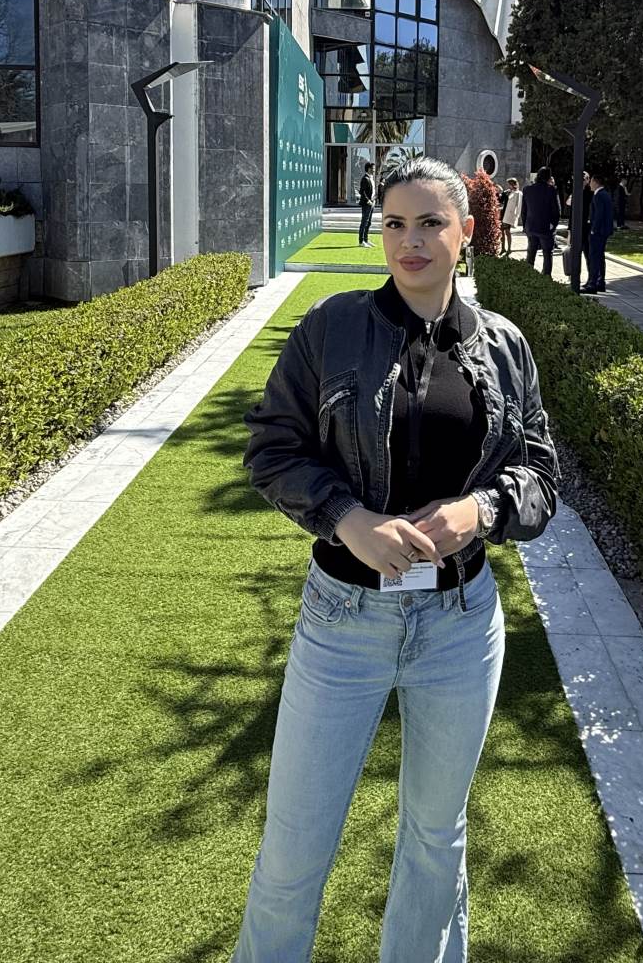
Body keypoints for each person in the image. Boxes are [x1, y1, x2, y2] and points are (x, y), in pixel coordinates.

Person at [234, 156, 559, 962]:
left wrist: (480, 511)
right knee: (293, 849)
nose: (410, 242)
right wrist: (347, 519)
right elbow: (272, 449)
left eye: (430, 224)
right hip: (343, 622)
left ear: (467, 232)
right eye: (395, 224)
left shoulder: (505, 346)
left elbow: (541, 474)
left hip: (460, 625)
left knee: (435, 841)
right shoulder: (330, 328)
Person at [521, 168, 561, 277]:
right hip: (546, 227)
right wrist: (553, 225)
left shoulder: (527, 189)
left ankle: (528, 277)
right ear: (548, 177)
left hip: (531, 226)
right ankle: (546, 278)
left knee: (531, 253)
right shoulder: (551, 190)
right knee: (547, 254)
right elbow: (557, 211)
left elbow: (524, 211)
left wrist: (525, 226)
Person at [582, 170, 616, 294]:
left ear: (595, 182)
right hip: (603, 231)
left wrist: (593, 229)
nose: (590, 184)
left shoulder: (599, 195)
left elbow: (599, 214)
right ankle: (600, 282)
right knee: (600, 257)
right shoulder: (604, 194)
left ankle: (593, 284)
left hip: (598, 232)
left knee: (594, 257)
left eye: (591, 181)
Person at [500, 174, 522, 257]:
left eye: (510, 184)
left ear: (513, 184)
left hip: (509, 215)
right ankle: (503, 248)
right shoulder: (507, 192)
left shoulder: (518, 193)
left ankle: (509, 249)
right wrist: (500, 192)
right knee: (501, 232)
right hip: (503, 213)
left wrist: (516, 216)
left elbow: (519, 206)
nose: (508, 186)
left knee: (507, 232)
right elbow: (500, 200)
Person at [357, 161, 376, 247]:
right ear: (368, 169)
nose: (374, 170)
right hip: (366, 203)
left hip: (372, 202)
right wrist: (368, 200)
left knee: (368, 222)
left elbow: (372, 191)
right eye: (373, 168)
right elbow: (362, 191)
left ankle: (366, 240)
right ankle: (361, 241)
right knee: (364, 222)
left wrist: (373, 200)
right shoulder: (365, 179)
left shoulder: (371, 178)